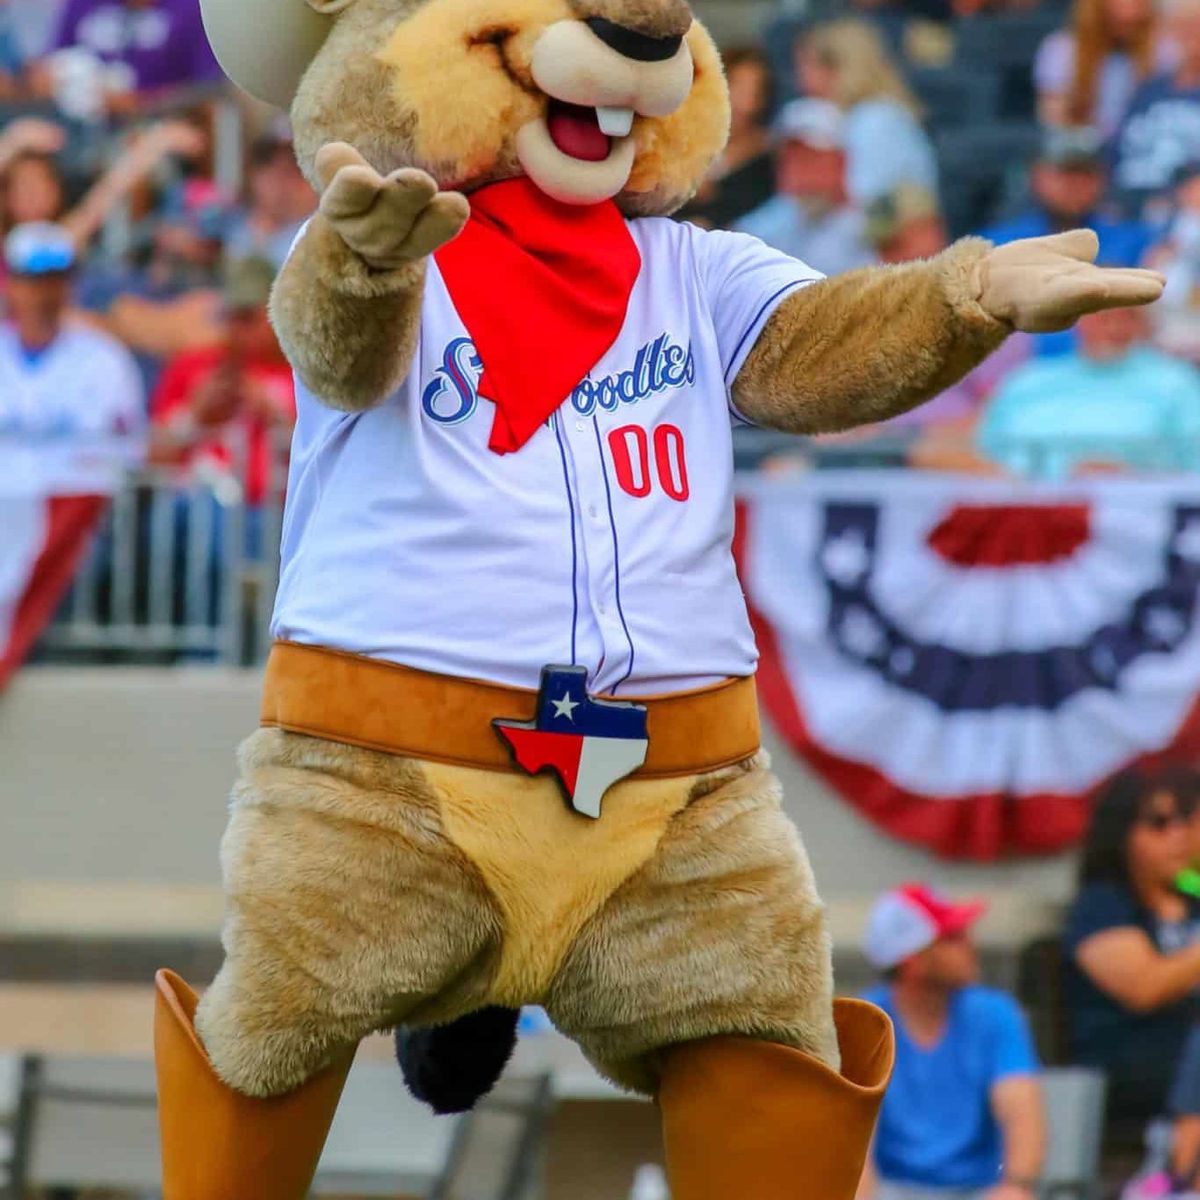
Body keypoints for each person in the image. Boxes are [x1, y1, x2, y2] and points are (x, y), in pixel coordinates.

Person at [857, 884, 1045, 1200]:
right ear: (912, 960)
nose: (971, 945)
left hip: (979, 1192)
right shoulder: (866, 1022)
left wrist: (1016, 1185)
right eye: (953, 938)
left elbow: (1021, 1111)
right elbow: (855, 1141)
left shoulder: (996, 1014)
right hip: (889, 1192)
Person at [1063, 770, 1200, 1139]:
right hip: (1133, 1073)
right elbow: (1144, 988)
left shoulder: (1193, 897)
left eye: (1185, 820)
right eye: (1158, 822)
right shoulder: (1102, 905)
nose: (1178, 834)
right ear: (1120, 831)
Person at [976, 303, 1200, 478]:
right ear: (1075, 319)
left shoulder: (1176, 383)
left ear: (1144, 324)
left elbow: (1192, 465)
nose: (1114, 327)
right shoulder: (1027, 381)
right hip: (1024, 515)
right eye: (1102, 316)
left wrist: (1133, 478)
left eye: (1128, 316)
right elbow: (980, 456)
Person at [150, 256, 295, 514]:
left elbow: (318, 457)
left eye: (248, 317)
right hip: (191, 511)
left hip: (269, 515)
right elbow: (153, 459)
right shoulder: (191, 366)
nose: (236, 328)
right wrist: (194, 416)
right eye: (230, 316)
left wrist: (272, 410)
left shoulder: (301, 374)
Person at [0, 222, 144, 482]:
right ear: (10, 285)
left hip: (77, 513)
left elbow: (125, 456)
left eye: (55, 281)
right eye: (33, 281)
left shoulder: (104, 359)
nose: (44, 294)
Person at [796, 19, 938, 206]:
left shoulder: (876, 120)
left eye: (810, 67)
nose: (802, 80)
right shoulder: (855, 118)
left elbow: (866, 209)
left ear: (842, 67)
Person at [735, 98, 877, 274]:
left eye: (811, 159)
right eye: (791, 159)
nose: (799, 174)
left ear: (840, 161)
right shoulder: (778, 218)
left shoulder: (875, 225)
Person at [1113, 0, 1200, 223]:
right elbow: (1115, 153)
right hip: (1129, 206)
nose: (1192, 33)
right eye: (1184, 25)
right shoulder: (1149, 91)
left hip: (1186, 219)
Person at [41, 0, 221, 106]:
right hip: (77, 124)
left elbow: (209, 88)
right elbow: (49, 68)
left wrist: (138, 102)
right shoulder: (82, 4)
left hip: (160, 125)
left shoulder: (190, 9)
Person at [1036, 0, 1174, 137]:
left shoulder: (1164, 49)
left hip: (1144, 145)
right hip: (1084, 149)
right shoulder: (1062, 49)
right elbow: (1055, 122)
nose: (1127, 13)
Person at [677, 47, 774, 229]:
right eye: (738, 87)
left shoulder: (766, 156)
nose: (745, 103)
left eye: (754, 91)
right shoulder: (685, 138)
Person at [224, 129, 317, 271]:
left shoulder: (323, 236)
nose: (279, 182)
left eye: (293, 170)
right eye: (267, 165)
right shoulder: (231, 224)